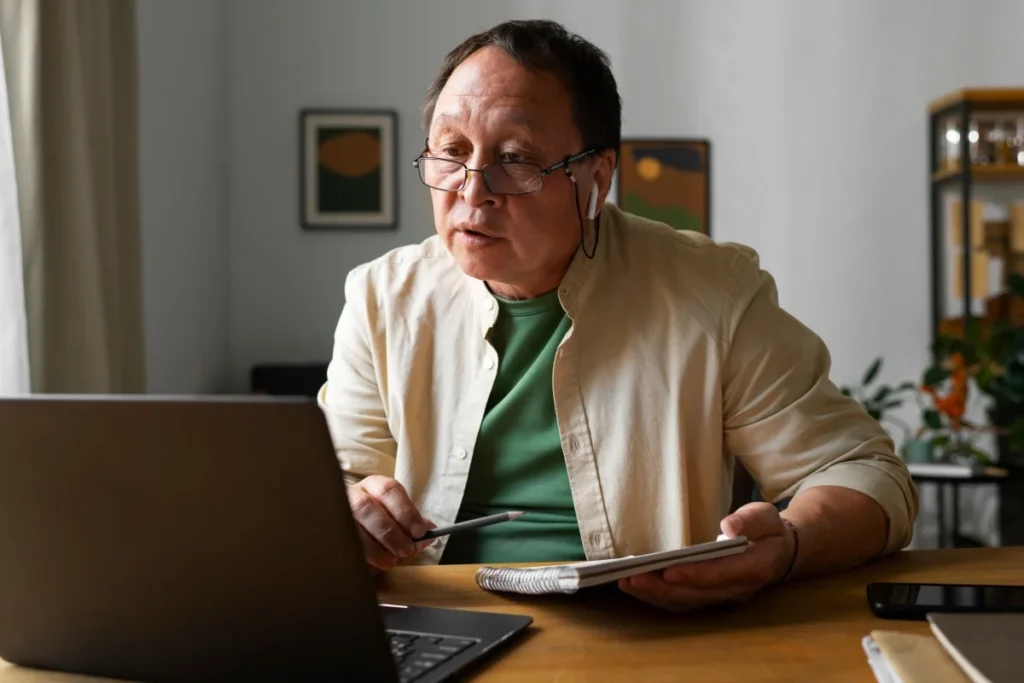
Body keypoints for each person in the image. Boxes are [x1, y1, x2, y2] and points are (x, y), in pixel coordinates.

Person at [318, 19, 918, 612]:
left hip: (643, 626)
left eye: (516, 158)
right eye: (451, 152)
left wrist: (788, 546)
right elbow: (333, 483)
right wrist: (351, 509)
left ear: (595, 178)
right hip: (434, 617)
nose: (473, 192)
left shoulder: (714, 294)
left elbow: (866, 475)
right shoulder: (382, 297)